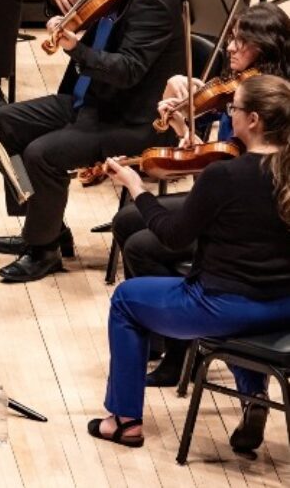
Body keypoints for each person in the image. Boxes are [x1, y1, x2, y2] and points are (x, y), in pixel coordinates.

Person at [0, 0, 185, 284]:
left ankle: (43, 250)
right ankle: (47, 224)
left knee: (41, 154)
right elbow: (83, 13)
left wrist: (76, 48)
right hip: (89, 100)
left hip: (129, 118)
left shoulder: (155, 0)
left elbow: (128, 71)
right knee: (0, 123)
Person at [94, 75, 290, 455]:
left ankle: (123, 420)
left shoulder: (225, 176)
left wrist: (137, 189)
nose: (229, 114)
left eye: (233, 108)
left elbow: (171, 236)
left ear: (253, 120)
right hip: (284, 307)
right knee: (242, 314)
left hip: (225, 308)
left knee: (126, 299)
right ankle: (254, 399)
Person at [111, 4, 290, 389]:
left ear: (264, 47)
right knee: (128, 221)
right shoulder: (247, 91)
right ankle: (162, 340)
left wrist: (137, 187)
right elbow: (219, 154)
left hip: (241, 213)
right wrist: (184, 130)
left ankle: (178, 349)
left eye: (240, 40)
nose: (229, 47)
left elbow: (230, 177)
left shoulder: (263, 98)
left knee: (145, 245)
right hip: (254, 227)